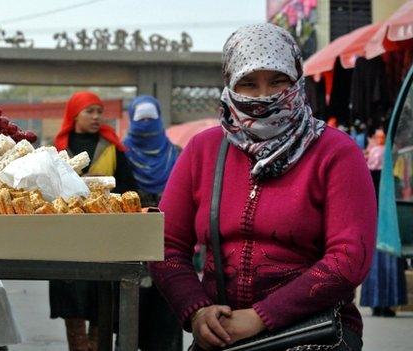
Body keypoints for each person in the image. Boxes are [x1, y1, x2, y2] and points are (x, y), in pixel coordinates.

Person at [149, 24, 376, 351]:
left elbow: (350, 257)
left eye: (278, 81)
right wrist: (198, 312)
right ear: (229, 84)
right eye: (249, 84)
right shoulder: (203, 150)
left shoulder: (336, 152)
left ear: (297, 80)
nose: (263, 96)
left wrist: (260, 317)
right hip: (222, 333)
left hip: (314, 331)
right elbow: (164, 243)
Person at [50, 91, 136, 351]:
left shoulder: (112, 147)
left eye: (100, 111)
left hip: (104, 235)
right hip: (68, 237)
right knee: (71, 294)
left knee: (103, 296)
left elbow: (129, 187)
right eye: (90, 111)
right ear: (74, 115)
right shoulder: (58, 149)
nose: (97, 116)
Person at [122, 95, 182, 350]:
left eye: (150, 119)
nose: (146, 125)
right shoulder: (121, 154)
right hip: (130, 245)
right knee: (131, 311)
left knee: (168, 306)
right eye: (140, 120)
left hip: (169, 243)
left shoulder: (177, 154)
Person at [361, 129, 408, 317]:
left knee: (374, 261)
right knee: (389, 260)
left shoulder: (366, 175)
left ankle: (375, 301)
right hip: (389, 224)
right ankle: (388, 302)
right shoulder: (393, 179)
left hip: (373, 224)